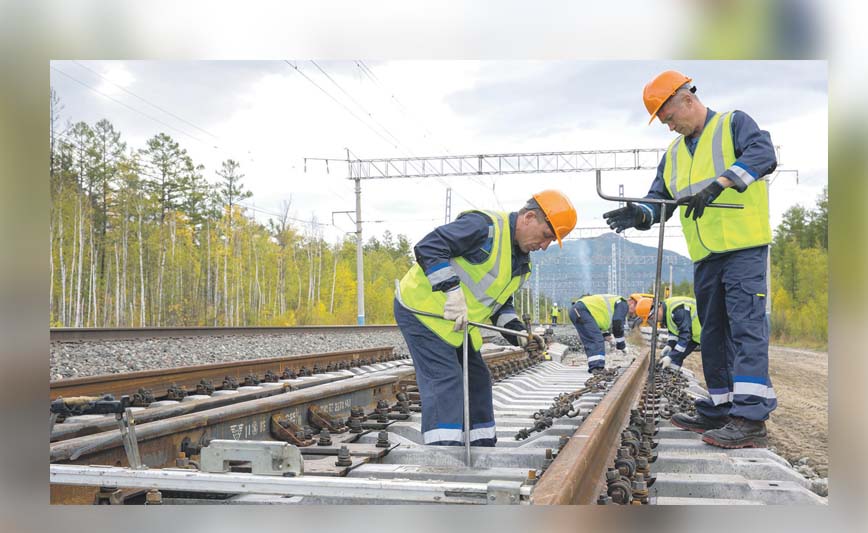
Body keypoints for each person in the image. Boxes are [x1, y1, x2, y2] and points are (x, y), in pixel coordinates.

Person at [603, 70, 777, 449]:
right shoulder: (674, 155)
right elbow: (660, 200)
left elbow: (764, 155)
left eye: (668, 117)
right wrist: (640, 215)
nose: (669, 127)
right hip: (706, 257)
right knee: (712, 334)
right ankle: (721, 406)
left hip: (743, 248)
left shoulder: (733, 124)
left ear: (687, 98)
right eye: (663, 122)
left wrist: (720, 184)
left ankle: (749, 419)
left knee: (745, 329)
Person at [394, 190, 577, 446]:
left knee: (477, 381)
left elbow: (499, 304)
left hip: (457, 325)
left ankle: (482, 450)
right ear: (529, 217)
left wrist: (519, 335)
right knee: (446, 380)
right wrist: (452, 291)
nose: (544, 246)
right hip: (422, 310)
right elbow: (428, 247)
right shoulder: (485, 227)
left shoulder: (522, 263)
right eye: (547, 236)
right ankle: (443, 458)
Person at [568, 294, 637, 374]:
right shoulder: (623, 304)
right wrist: (621, 345)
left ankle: (596, 366)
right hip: (581, 311)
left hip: (578, 311)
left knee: (593, 338)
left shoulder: (616, 303)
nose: (634, 313)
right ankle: (597, 368)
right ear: (632, 302)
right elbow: (617, 323)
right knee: (596, 339)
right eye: (635, 310)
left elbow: (600, 319)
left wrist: (606, 334)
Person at [657, 296, 701, 371]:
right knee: (677, 356)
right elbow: (674, 331)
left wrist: (670, 356)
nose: (655, 320)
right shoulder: (667, 311)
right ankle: (672, 374)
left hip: (710, 330)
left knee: (714, 365)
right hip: (696, 336)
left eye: (653, 317)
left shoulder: (677, 309)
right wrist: (670, 345)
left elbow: (685, 334)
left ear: (657, 307)